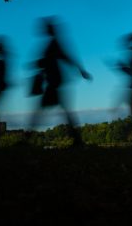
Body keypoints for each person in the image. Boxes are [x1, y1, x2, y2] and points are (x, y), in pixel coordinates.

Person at [30, 17, 92, 146]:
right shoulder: (54, 43)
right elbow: (66, 58)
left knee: (40, 112)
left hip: (54, 84)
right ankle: (78, 140)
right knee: (64, 113)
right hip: (56, 83)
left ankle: (27, 139)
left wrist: (81, 70)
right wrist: (81, 71)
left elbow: (66, 58)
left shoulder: (53, 44)